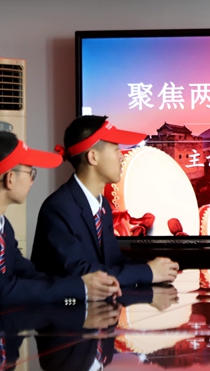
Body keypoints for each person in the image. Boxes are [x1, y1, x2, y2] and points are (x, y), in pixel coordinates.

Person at [31, 116, 179, 287]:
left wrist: (155, 268)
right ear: (93, 157)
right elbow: (82, 273)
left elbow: (113, 262)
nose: (121, 157)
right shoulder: (59, 208)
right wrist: (148, 272)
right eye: (116, 149)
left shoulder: (102, 206)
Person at [0, 131, 120, 304]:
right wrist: (80, 288)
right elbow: (4, 289)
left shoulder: (5, 228)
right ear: (10, 179)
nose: (32, 181)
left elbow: (28, 273)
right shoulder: (59, 206)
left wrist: (80, 286)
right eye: (31, 173)